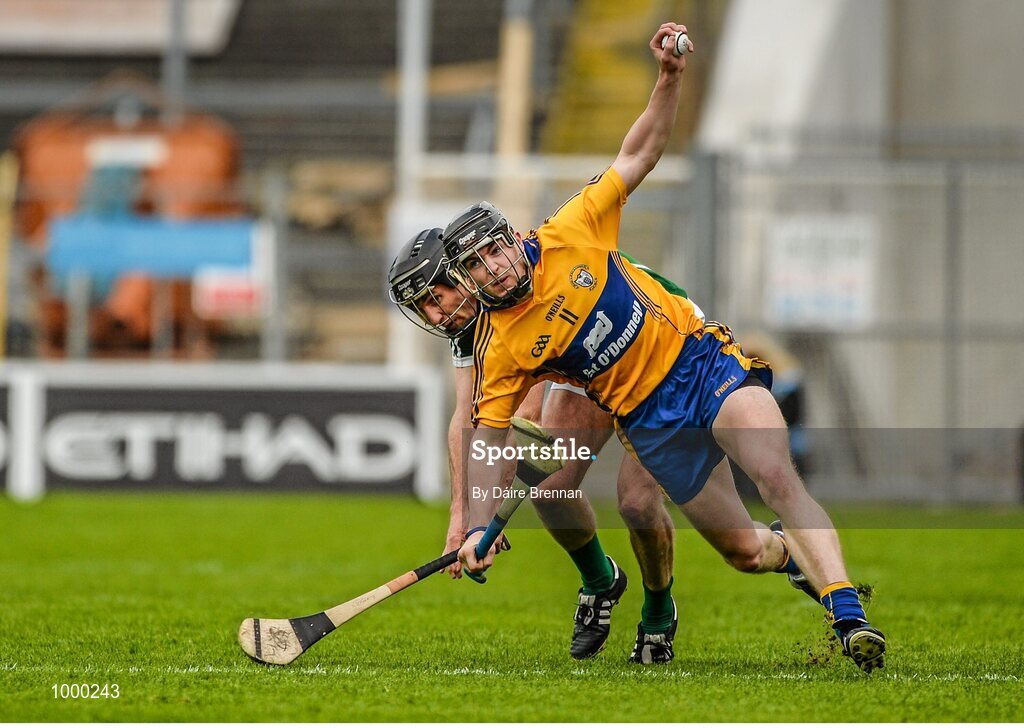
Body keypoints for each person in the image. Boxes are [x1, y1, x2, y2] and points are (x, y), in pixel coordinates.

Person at [443, 22, 886, 673]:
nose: (493, 269)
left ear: (512, 238)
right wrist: (481, 524)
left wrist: (669, 79)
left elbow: (639, 153)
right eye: (476, 268)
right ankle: (790, 557)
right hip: (650, 423)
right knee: (743, 551)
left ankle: (849, 616)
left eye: (493, 251)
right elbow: (488, 439)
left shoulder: (571, 228)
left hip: (705, 366)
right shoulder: (506, 346)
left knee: (775, 474)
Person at [387, 228, 680, 663]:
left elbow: (525, 420)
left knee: (638, 504)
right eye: (421, 307)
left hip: (657, 347)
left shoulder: (513, 287)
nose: (432, 316)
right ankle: (601, 581)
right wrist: (459, 519)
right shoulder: (469, 319)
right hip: (587, 369)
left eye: (434, 298)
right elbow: (466, 415)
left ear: (462, 276)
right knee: (550, 489)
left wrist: (487, 518)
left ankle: (659, 610)